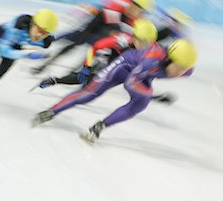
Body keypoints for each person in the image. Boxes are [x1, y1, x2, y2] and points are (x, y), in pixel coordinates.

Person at [32, 39, 198, 144]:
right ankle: (51, 111)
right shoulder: (151, 61)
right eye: (177, 67)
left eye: (184, 70)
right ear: (168, 59)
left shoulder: (186, 70)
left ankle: (99, 127)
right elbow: (130, 83)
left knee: (140, 103)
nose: (179, 73)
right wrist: (151, 95)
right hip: (124, 66)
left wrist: (148, 96)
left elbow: (143, 83)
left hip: (142, 75)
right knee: (89, 94)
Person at [31, 0, 155, 74]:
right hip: (98, 22)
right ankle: (46, 64)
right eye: (140, 11)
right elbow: (108, 22)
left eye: (142, 12)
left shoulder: (137, 18)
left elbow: (140, 35)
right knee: (76, 42)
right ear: (133, 5)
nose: (140, 14)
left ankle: (76, 72)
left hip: (108, 26)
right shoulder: (118, 3)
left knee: (94, 49)